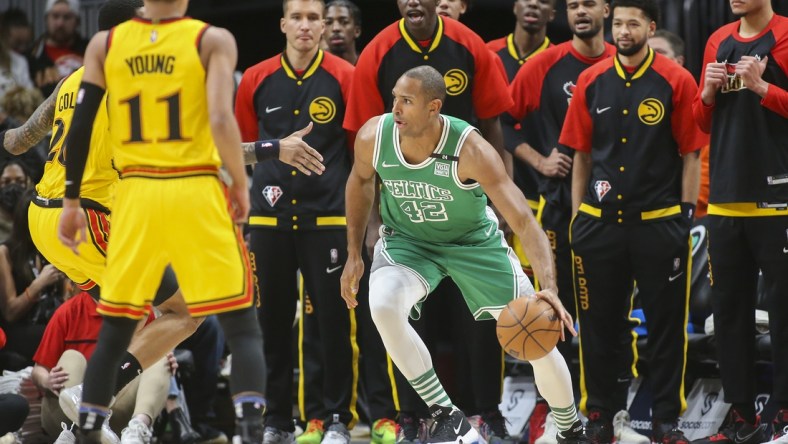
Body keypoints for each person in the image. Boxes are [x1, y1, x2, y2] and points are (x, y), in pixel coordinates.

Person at [55, 0, 271, 441]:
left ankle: (86, 432)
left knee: (115, 329)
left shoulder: (105, 43)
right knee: (240, 322)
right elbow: (219, 119)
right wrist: (242, 188)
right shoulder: (210, 39)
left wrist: (72, 200)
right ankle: (251, 431)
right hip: (194, 188)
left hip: (136, 195)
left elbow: (80, 128)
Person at [341, 65, 586, 444]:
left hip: (473, 244)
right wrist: (354, 252)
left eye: (407, 101)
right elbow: (359, 182)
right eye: (394, 98)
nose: (396, 109)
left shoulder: (470, 150)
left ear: (434, 107)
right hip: (409, 242)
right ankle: (446, 415)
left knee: (535, 327)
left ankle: (570, 428)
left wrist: (548, 287)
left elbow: (524, 222)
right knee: (383, 306)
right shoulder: (375, 136)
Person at [559, 1, 706, 443]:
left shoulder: (675, 79)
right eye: (619, 23)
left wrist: (683, 216)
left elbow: (692, 152)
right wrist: (577, 217)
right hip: (599, 226)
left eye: (633, 23)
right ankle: (601, 415)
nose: (624, 31)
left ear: (650, 27)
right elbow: (580, 156)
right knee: (600, 327)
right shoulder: (591, 80)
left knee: (665, 327)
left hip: (659, 224)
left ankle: (666, 419)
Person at [234, 1, 359, 444]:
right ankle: (276, 422)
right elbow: (239, 148)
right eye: (298, 17)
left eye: (313, 17)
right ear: (283, 23)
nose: (305, 25)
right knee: (271, 324)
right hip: (267, 220)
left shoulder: (346, 76)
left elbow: (359, 158)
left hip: (327, 219)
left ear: (324, 25)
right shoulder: (255, 78)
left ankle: (336, 419)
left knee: (332, 322)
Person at [506, 0, 616, 441]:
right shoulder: (543, 65)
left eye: (589, 4)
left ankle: (607, 412)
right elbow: (504, 120)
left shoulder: (621, 64)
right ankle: (559, 414)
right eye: (573, 5)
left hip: (614, 214)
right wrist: (539, 159)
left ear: (606, 10)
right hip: (555, 210)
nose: (580, 12)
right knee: (554, 314)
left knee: (607, 318)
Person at [690, 0, 788, 443]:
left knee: (784, 312)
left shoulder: (785, 35)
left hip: (777, 200)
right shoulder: (717, 40)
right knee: (729, 315)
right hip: (726, 202)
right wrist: (707, 94)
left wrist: (762, 87)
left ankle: (782, 412)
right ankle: (742, 414)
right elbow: (699, 120)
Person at [31, 290, 171, 442]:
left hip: (115, 410)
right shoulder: (69, 310)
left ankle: (137, 430)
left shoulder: (141, 312)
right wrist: (46, 380)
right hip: (63, 412)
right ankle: (73, 429)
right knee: (73, 357)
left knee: (160, 359)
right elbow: (38, 370)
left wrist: (163, 358)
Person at [0, 191, 66, 370]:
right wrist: (39, 284)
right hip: (20, 328)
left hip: (50, 320)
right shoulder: (5, 252)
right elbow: (10, 313)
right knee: (53, 336)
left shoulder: (49, 248)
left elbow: (65, 299)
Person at [27, 0, 88, 97]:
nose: (60, 23)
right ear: (46, 19)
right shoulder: (31, 57)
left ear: (77, 21)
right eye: (55, 16)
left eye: (67, 17)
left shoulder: (90, 50)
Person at [323, 0, 361, 65]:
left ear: (357, 31)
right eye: (329, 22)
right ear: (322, 30)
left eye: (344, 22)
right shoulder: (312, 67)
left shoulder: (369, 65)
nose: (335, 28)